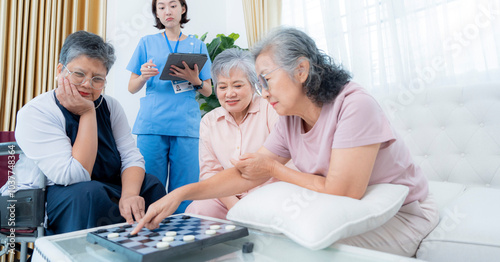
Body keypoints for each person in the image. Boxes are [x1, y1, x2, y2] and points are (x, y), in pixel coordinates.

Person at [132, 27, 439, 257]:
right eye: (260, 84)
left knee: (290, 251)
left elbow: (344, 191)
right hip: (345, 212)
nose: (263, 92)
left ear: (301, 70)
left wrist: (275, 170)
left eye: (266, 80)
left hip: (401, 214)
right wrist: (181, 194)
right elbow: (247, 172)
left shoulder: (354, 105)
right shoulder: (290, 118)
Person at [0, 31, 166, 235]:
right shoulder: (36, 112)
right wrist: (88, 112)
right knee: (88, 193)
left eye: (97, 79)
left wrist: (130, 195)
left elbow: (132, 157)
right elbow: (73, 175)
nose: (87, 84)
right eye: (79, 74)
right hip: (49, 194)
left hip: (102, 186)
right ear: (61, 70)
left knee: (151, 184)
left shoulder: (111, 106)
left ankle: (145, 252)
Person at [127, 0, 212, 213]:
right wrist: (143, 76)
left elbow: (208, 91)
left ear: (183, 9)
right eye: (161, 7)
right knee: (149, 185)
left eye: (173, 5)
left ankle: (181, 237)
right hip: (153, 124)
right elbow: (131, 88)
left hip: (185, 125)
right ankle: (147, 233)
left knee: (185, 189)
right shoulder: (146, 42)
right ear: (156, 13)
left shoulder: (197, 45)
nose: (168, 11)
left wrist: (194, 79)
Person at [185, 48, 279, 219]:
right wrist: (234, 205)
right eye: (222, 87)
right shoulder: (209, 121)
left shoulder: (270, 110)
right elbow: (209, 172)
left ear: (253, 85)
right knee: (198, 209)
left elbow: (281, 160)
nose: (230, 93)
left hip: (268, 191)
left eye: (237, 85)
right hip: (228, 195)